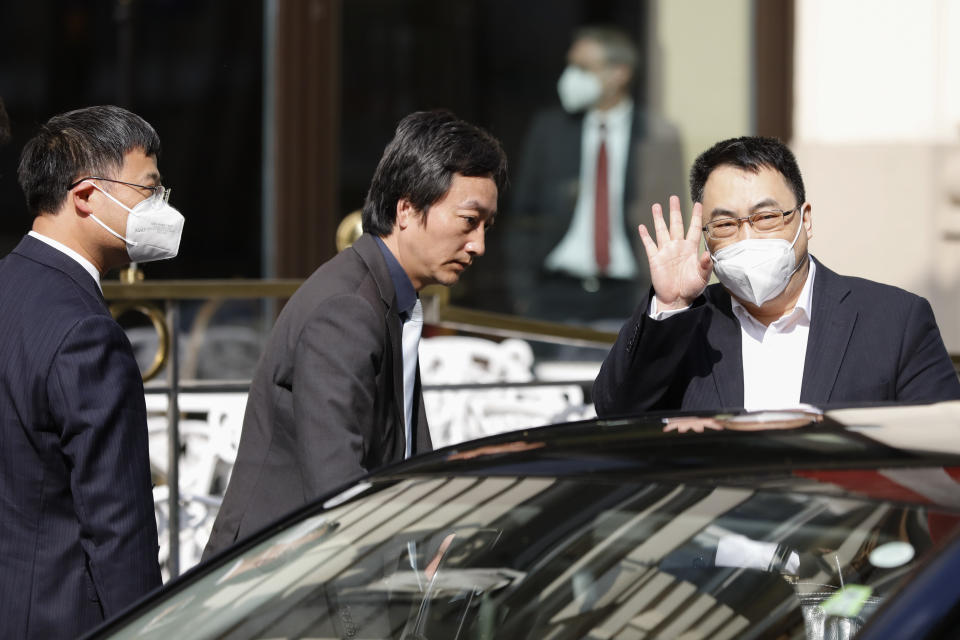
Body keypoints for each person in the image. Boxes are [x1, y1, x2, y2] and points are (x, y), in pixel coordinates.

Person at [204, 110, 507, 558]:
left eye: (487, 226)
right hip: (276, 589)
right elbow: (338, 483)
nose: (479, 244)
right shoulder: (347, 308)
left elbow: (396, 450)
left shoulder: (387, 295)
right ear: (406, 209)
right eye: (468, 220)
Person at [593, 136, 960, 415]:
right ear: (705, 235)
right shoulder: (686, 323)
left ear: (806, 219)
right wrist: (671, 305)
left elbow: (940, 445)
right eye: (724, 224)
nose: (748, 236)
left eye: (766, 217)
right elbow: (615, 412)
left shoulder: (894, 321)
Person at [0, 105, 184, 638]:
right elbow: (118, 525)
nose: (161, 208)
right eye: (149, 190)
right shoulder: (86, 332)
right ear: (85, 196)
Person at [508, 25, 683, 324]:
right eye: (570, 66)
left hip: (626, 296)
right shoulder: (549, 130)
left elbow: (672, 222)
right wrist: (524, 294)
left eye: (584, 68)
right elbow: (523, 216)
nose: (571, 78)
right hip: (555, 293)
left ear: (620, 74)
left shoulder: (657, 137)